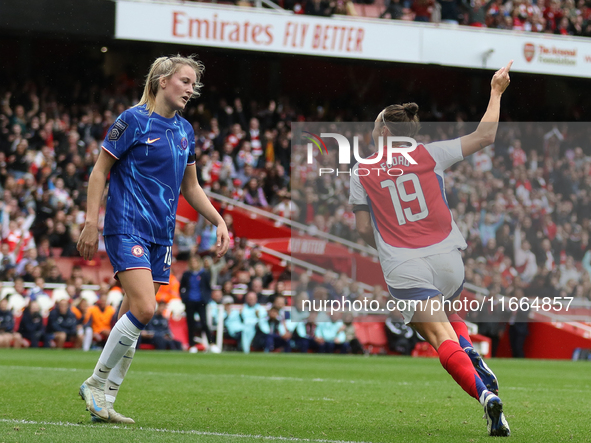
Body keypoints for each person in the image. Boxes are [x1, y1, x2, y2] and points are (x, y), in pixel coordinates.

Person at [349, 61, 513, 437]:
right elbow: (485, 137)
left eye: (375, 124)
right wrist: (496, 92)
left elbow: (360, 230)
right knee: (449, 318)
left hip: (405, 266)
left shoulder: (361, 170)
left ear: (385, 130)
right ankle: (470, 353)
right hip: (447, 260)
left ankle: (485, 395)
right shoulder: (431, 153)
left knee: (437, 338)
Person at [76, 54, 230, 424]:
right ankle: (96, 383)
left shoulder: (185, 131)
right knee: (145, 309)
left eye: (194, 84)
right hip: (126, 225)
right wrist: (90, 222)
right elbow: (99, 172)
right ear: (163, 81)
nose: (191, 90)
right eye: (185, 81)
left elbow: (190, 187)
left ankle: (106, 401)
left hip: (162, 235)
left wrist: (218, 220)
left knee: (132, 314)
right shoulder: (131, 120)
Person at [180, 255, 216, 353]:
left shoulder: (204, 274)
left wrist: (206, 299)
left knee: (204, 323)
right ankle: (192, 345)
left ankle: (211, 343)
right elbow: (182, 287)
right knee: (190, 324)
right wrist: (184, 298)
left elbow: (208, 288)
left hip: (201, 302)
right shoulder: (186, 274)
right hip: (190, 301)